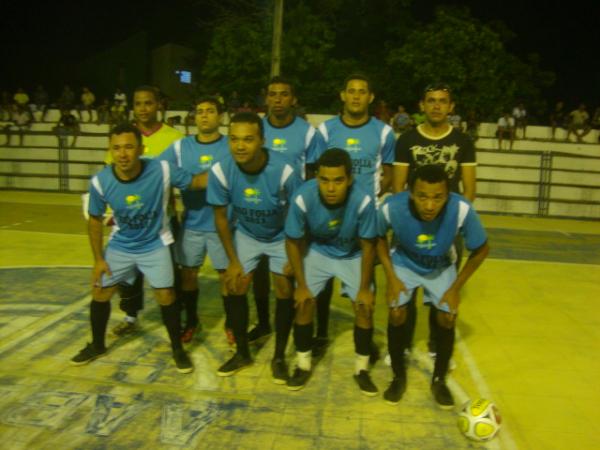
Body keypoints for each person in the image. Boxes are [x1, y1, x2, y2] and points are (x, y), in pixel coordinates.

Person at [70, 123, 207, 373]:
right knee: (100, 293)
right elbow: (94, 221)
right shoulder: (101, 181)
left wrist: (229, 171)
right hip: (121, 245)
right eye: (117, 148)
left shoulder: (162, 169)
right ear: (110, 151)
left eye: (129, 147)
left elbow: (196, 182)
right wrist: (99, 260)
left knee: (166, 295)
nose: (123, 154)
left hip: (155, 244)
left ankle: (178, 349)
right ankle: (97, 345)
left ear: (141, 149)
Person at [377, 164, 489, 407]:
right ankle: (398, 376)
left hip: (441, 265)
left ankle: (439, 380)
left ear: (448, 195)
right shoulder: (392, 207)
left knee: (447, 318)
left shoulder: (461, 208)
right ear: (410, 193)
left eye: (438, 198)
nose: (429, 205)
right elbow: (376, 237)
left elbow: (481, 249)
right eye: (422, 196)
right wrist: (391, 278)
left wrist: (455, 288)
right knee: (397, 313)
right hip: (404, 262)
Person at [207, 112, 302, 382]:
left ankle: (279, 356)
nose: (240, 146)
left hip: (282, 234)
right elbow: (220, 218)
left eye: (248, 139)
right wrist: (232, 260)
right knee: (233, 283)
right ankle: (243, 353)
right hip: (246, 233)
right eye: (234, 139)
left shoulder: (285, 170)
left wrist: (295, 253)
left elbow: (299, 213)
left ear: (262, 140)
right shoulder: (220, 170)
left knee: (284, 286)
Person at [392, 82, 477, 363]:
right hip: (413, 223)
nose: (437, 105)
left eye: (442, 101)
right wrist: (409, 219)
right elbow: (399, 187)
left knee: (441, 291)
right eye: (431, 101)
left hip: (446, 227)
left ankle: (435, 344)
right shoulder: (406, 140)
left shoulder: (463, 142)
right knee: (408, 289)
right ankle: (402, 345)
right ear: (422, 106)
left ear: (451, 107)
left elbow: (469, 189)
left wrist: (454, 222)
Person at [284, 148, 378, 394]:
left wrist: (365, 288)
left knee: (364, 307)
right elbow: (292, 241)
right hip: (319, 250)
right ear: (316, 178)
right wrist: (302, 286)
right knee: (303, 303)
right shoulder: (302, 198)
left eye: (338, 180)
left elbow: (369, 246)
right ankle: (303, 364)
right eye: (324, 180)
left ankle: (362, 369)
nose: (331, 188)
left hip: (353, 254)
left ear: (349, 179)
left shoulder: (364, 201)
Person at [315, 74, 395, 352]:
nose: (356, 96)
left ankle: (365, 341)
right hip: (328, 213)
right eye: (352, 91)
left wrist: (369, 199)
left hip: (364, 219)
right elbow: (315, 171)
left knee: (365, 282)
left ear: (370, 97)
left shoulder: (384, 132)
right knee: (322, 276)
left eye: (362, 92)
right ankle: (321, 333)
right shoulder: (325, 131)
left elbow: (391, 174)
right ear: (343, 95)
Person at [247, 76, 326, 346]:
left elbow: (313, 175)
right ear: (266, 98)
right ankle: (263, 323)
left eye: (284, 94)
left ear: (293, 99)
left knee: (289, 274)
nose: (278, 99)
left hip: (291, 217)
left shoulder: (307, 133)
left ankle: (295, 325)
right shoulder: (256, 130)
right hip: (259, 213)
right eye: (273, 94)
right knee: (258, 272)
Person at [107, 85, 184, 336]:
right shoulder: (124, 137)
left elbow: (180, 176)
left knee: (170, 272)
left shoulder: (174, 138)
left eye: (148, 103)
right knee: (128, 275)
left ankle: (175, 317)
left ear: (158, 105)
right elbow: (112, 176)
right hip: (128, 220)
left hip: (162, 220)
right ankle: (130, 316)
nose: (142, 108)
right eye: (138, 103)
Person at [157, 96, 230, 343]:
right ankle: (192, 321)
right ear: (194, 117)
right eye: (199, 111)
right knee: (188, 275)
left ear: (220, 116)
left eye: (210, 111)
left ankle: (231, 322)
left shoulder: (231, 145)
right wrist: (188, 180)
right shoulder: (180, 147)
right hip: (192, 224)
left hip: (223, 225)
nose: (204, 116)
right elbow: (158, 170)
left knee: (226, 276)